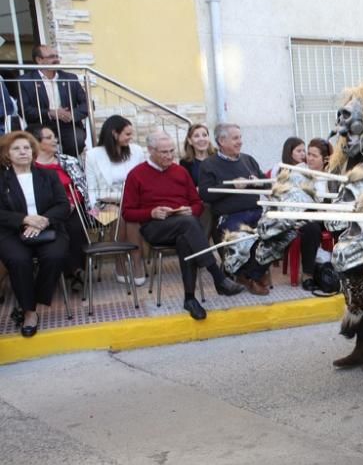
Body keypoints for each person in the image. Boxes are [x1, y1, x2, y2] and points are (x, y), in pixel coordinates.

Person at [121, 132, 245, 320]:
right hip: (155, 227)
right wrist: (151, 213)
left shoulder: (180, 172)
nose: (169, 156)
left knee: (185, 238)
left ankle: (189, 299)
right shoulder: (136, 175)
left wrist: (190, 210)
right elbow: (127, 212)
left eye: (172, 151)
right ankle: (218, 277)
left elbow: (197, 203)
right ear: (151, 151)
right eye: (164, 152)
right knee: (189, 226)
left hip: (183, 225)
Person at [0, 131, 70, 337]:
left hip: (48, 228)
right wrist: (24, 219)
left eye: (26, 148)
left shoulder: (48, 175)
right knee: (19, 260)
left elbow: (63, 206)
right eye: (16, 148)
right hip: (12, 232)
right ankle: (30, 313)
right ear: (7, 154)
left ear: (33, 151)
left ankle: (29, 301)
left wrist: (43, 221)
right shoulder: (2, 180)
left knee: (55, 256)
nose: (23, 152)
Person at [198, 123, 271, 294]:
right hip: (229, 216)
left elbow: (265, 185)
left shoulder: (248, 160)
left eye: (240, 137)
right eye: (235, 138)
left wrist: (257, 182)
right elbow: (205, 194)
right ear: (222, 141)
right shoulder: (209, 165)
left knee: (279, 231)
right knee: (244, 236)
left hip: (256, 211)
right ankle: (248, 276)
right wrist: (229, 186)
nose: (240, 142)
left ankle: (253, 274)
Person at [29, 125, 92, 291]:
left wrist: (72, 203)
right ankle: (74, 271)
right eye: (49, 137)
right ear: (37, 141)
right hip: (43, 211)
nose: (55, 140)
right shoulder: (29, 166)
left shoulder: (68, 160)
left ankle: (76, 271)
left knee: (76, 226)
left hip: (71, 207)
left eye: (54, 137)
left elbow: (81, 187)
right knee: (59, 228)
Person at [85, 115, 147, 284]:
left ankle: (136, 263)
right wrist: (95, 209)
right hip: (102, 205)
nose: (130, 138)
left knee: (129, 216)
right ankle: (120, 263)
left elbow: (143, 181)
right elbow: (91, 188)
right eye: (127, 134)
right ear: (114, 133)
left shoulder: (136, 151)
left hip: (133, 203)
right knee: (120, 216)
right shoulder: (93, 155)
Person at [17, 45, 89, 157]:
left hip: (67, 123)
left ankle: (67, 166)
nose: (56, 59)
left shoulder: (70, 78)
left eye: (57, 56)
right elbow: (24, 110)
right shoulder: (26, 81)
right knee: (39, 142)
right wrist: (51, 113)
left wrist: (70, 115)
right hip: (40, 124)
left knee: (77, 139)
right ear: (39, 60)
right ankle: (47, 169)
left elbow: (86, 104)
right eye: (51, 57)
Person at [298, 137, 331, 290]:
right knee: (311, 228)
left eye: (314, 156)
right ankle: (308, 275)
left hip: (327, 216)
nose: (309, 158)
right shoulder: (300, 172)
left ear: (324, 159)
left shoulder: (332, 176)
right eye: (308, 154)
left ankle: (338, 269)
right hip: (306, 217)